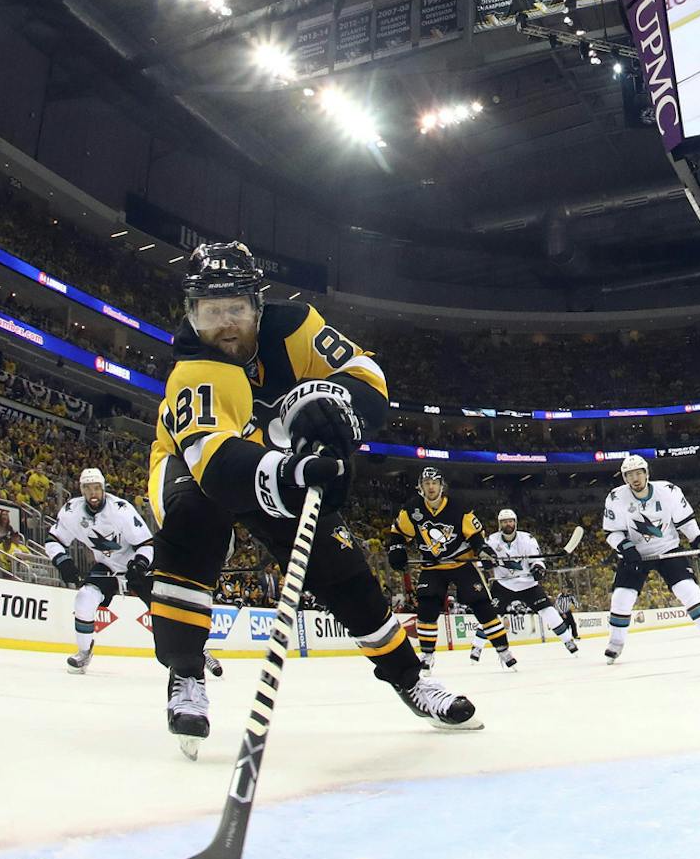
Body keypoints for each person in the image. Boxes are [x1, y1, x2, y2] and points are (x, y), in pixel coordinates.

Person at [146, 242, 476, 755]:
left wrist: (339, 409)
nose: (225, 324)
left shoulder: (296, 326)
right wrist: (297, 467)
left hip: (271, 461)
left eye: (235, 308)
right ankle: (186, 673)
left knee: (339, 566)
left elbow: (367, 376)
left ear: (258, 305)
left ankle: (409, 678)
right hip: (194, 468)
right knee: (194, 521)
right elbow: (217, 466)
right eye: (211, 312)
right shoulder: (193, 367)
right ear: (192, 314)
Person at [600, 455, 700, 662]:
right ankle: (615, 643)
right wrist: (625, 547)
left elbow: (685, 521)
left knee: (687, 589)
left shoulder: (668, 491)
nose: (635, 478)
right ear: (624, 478)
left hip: (668, 549)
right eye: (630, 475)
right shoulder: (615, 498)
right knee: (622, 597)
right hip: (636, 555)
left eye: (639, 473)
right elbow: (612, 532)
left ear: (647, 473)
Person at [391, 468, 515, 670]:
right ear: (421, 487)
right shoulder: (411, 508)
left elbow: (475, 536)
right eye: (427, 483)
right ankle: (427, 656)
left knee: (482, 604)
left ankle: (503, 650)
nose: (431, 487)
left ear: (441, 486)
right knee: (426, 607)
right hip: (432, 565)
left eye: (434, 483)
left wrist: (483, 550)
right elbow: (398, 533)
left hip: (461, 562)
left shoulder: (458, 507)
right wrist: (396, 550)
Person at [43, 467, 151, 674]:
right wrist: (62, 561)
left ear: (103, 489)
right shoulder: (71, 512)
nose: (93, 493)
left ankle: (196, 650)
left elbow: (147, 544)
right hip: (107, 566)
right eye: (88, 488)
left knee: (163, 611)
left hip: (137, 565)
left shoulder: (121, 510)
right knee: (84, 598)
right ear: (81, 490)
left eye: (96, 488)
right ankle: (84, 652)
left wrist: (139, 565)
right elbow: (53, 541)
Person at [473, 507, 578, 657]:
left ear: (515, 523)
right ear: (499, 524)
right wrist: (485, 564)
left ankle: (568, 640)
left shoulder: (527, 539)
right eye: (504, 522)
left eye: (510, 521)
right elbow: (481, 562)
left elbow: (537, 560)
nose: (508, 524)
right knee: (489, 615)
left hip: (527, 583)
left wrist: (538, 568)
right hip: (503, 584)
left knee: (548, 611)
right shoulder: (491, 540)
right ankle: (477, 647)